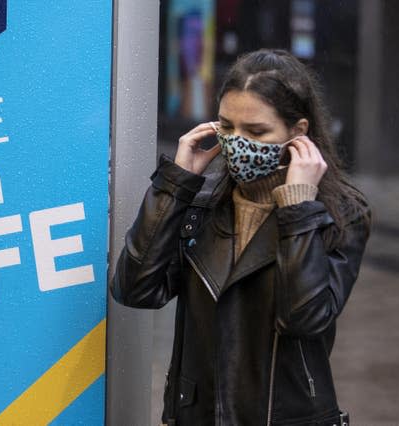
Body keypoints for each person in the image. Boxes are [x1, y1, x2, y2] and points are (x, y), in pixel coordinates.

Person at [111, 49, 371, 425]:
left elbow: (304, 318)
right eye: (227, 127)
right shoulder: (201, 201)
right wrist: (175, 186)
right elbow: (134, 289)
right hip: (199, 414)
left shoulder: (340, 213)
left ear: (298, 132)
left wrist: (298, 207)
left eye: (256, 131)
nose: (237, 142)